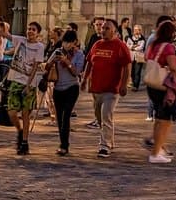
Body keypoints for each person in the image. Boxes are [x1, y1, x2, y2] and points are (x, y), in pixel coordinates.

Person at [0, 20, 46, 156]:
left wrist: (29, 85)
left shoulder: (40, 47)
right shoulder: (21, 40)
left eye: (33, 29)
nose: (30, 31)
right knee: (11, 111)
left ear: (38, 33)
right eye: (29, 29)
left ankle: (24, 141)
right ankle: (19, 129)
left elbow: (35, 66)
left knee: (25, 114)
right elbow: (6, 35)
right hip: (15, 79)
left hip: (28, 83)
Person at [83, 19, 130, 159]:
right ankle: (110, 140)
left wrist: (123, 84)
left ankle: (104, 146)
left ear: (114, 30)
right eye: (102, 28)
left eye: (107, 28)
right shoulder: (97, 44)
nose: (103, 31)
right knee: (99, 117)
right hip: (97, 88)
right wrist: (85, 79)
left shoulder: (120, 46)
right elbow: (89, 63)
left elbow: (127, 66)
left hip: (112, 89)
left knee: (106, 115)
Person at [143, 21, 176, 162]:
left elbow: (147, 58)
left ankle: (158, 149)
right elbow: (173, 67)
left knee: (159, 118)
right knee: (164, 119)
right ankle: (155, 153)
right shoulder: (169, 47)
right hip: (163, 86)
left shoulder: (154, 44)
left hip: (152, 85)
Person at [48, 30, 84, 155]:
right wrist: (52, 62)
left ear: (74, 42)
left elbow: (76, 72)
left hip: (71, 88)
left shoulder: (79, 54)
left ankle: (64, 145)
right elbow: (47, 66)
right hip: (58, 88)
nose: (66, 45)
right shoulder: (57, 52)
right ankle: (62, 142)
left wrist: (67, 61)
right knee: (59, 117)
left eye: (69, 42)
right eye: (64, 42)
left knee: (66, 115)